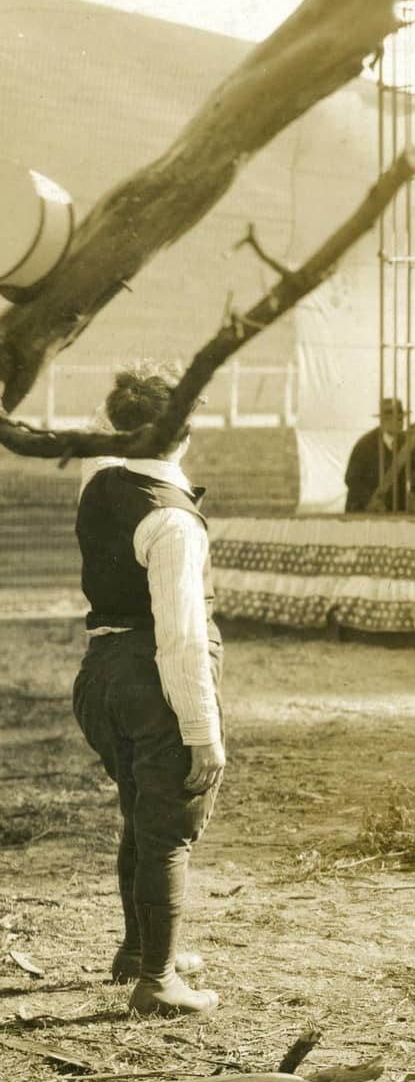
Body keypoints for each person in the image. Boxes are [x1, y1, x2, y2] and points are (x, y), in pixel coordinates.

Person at [72, 363, 225, 1016]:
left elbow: (100, 433)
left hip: (97, 673)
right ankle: (158, 983)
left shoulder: (97, 477)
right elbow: (183, 641)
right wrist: (204, 735)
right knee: (170, 829)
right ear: (186, 431)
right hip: (148, 677)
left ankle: (140, 951)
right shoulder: (173, 524)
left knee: (140, 812)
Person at [344, 396, 415, 513]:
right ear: (384, 421)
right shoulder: (365, 445)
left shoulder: (406, 442)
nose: (401, 422)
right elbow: (352, 479)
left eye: (402, 418)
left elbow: (414, 471)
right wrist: (370, 501)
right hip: (364, 511)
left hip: (395, 510)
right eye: (396, 419)